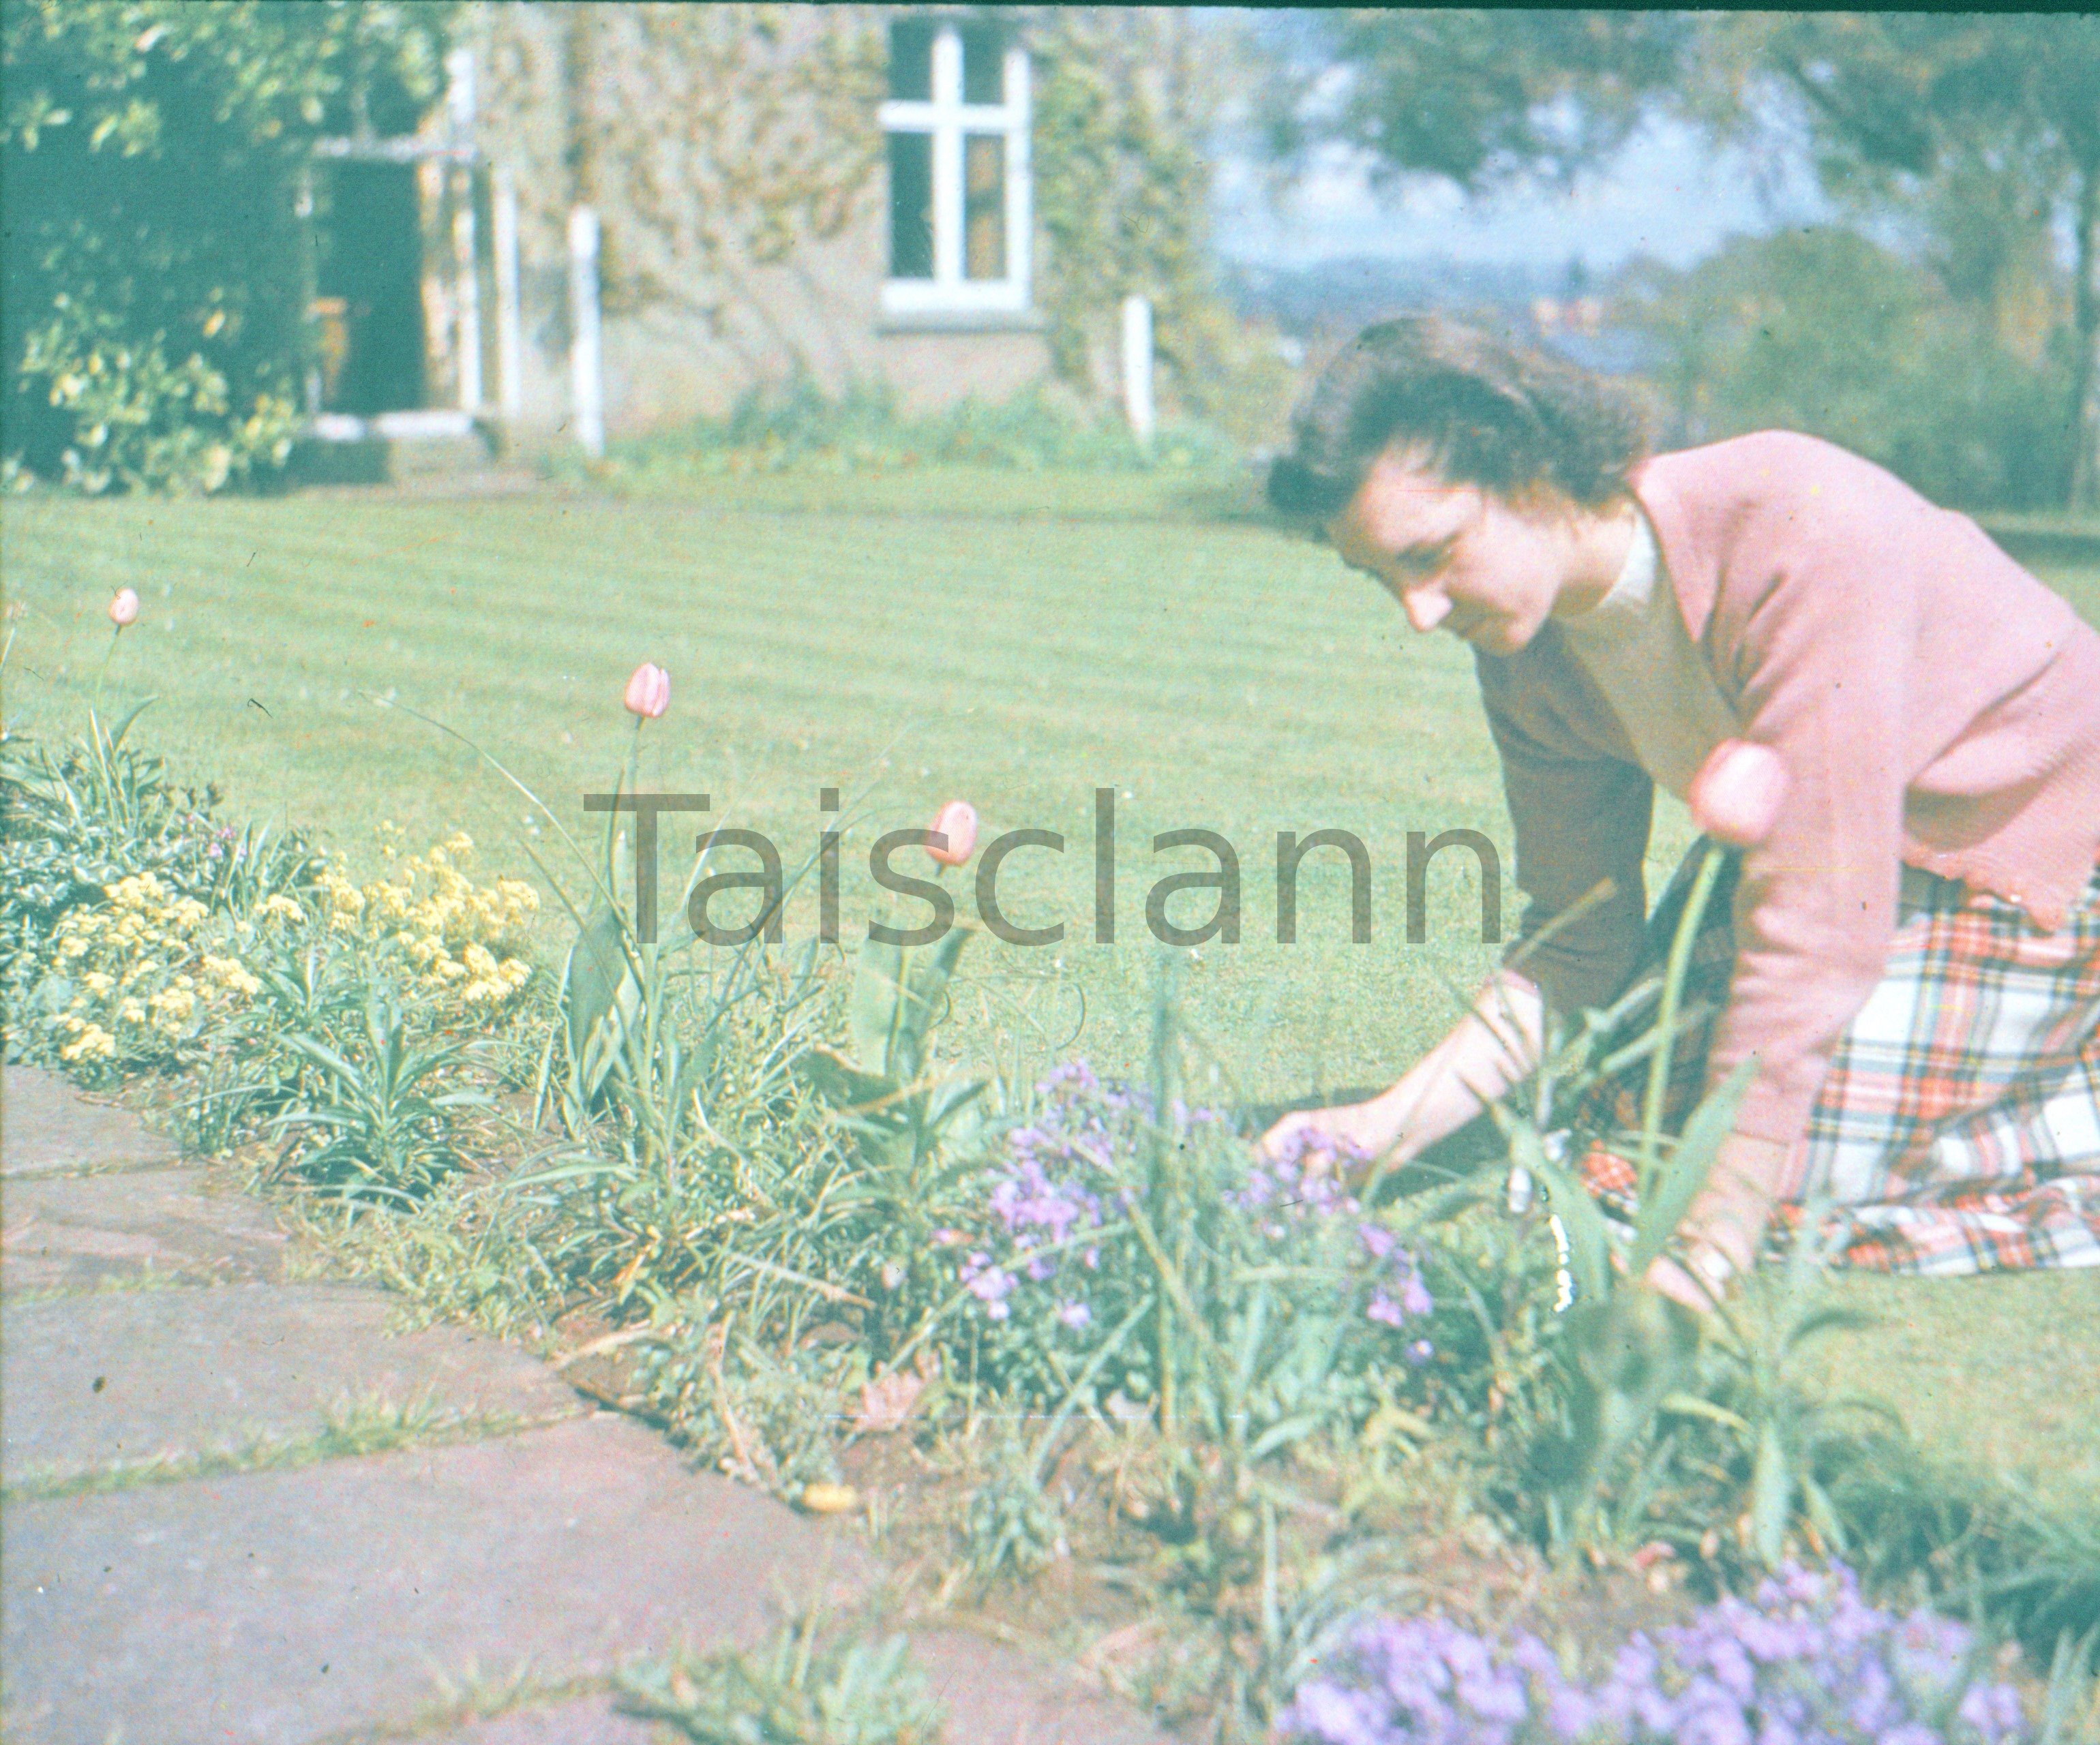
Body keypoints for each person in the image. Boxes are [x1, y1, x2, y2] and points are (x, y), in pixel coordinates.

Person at [1259, 316, 2100, 1305]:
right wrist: (1381, 1128)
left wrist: (1711, 1240)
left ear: (1527, 466)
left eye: (1434, 553)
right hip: (1832, 861)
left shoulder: (1795, 527)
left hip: (2032, 861)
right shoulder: (1526, 659)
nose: (1419, 612)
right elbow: (1578, 939)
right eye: (1384, 578)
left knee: (1765, 1188)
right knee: (1612, 1144)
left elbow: (1823, 930)